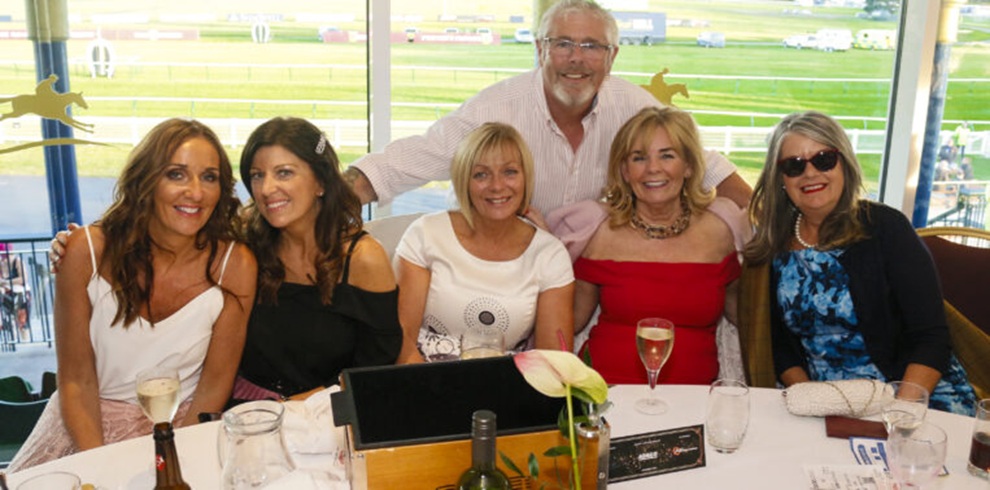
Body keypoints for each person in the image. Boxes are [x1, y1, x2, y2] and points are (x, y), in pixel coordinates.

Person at [345, 0, 752, 217]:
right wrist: (325, 200)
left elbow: (705, 165)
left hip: (594, 286)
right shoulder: (496, 109)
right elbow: (408, 159)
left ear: (612, 56)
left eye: (592, 46)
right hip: (508, 277)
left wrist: (769, 231)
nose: (577, 59)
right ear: (539, 49)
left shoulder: (634, 106)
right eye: (563, 44)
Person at [9, 118, 258, 471]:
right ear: (147, 180)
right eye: (176, 174)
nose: (196, 192)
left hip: (180, 429)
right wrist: (100, 465)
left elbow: (214, 384)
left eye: (209, 177)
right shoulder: (85, 251)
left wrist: (173, 461)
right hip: (84, 430)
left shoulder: (236, 264)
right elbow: (76, 381)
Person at [741, 110, 976, 415]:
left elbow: (930, 336)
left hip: (914, 396)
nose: (810, 173)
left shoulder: (885, 228)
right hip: (827, 404)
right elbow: (780, 346)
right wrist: (811, 401)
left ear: (844, 164)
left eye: (824, 159)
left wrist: (900, 416)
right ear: (780, 179)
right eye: (794, 165)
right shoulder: (772, 246)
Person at [549, 106, 745, 385]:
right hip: (606, 392)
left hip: (694, 401)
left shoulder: (722, 230)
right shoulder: (598, 231)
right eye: (639, 158)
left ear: (689, 166)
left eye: (667, 155)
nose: (653, 168)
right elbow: (566, 324)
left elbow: (749, 320)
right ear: (625, 171)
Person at [233, 117, 403, 401]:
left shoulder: (362, 259)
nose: (266, 189)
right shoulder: (247, 245)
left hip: (332, 410)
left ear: (321, 182)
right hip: (247, 411)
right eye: (257, 175)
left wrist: (298, 406)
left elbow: (375, 368)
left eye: (284, 173)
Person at [394, 123, 574, 363]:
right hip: (423, 382)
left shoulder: (549, 254)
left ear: (525, 178)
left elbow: (554, 362)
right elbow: (402, 344)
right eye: (481, 174)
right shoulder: (426, 234)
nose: (497, 186)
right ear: (464, 182)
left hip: (507, 388)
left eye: (509, 172)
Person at [0, 242, 31, 342]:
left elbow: (24, 278)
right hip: (6, 293)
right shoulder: (1, 264)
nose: (5, 258)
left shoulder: (17, 261)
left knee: (21, 305)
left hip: (20, 292)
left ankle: (23, 330)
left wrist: (7, 281)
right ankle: (8, 326)